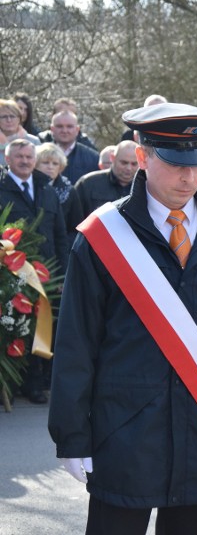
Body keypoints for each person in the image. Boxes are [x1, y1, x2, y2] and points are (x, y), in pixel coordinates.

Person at [47, 103, 197, 535]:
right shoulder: (102, 237)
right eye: (175, 164)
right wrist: (71, 435)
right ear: (142, 156)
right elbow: (76, 342)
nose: (189, 178)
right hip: (122, 434)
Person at [1, 139, 68, 404]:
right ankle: (19, 384)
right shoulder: (2, 189)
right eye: (19, 157)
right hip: (14, 270)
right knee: (19, 327)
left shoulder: (46, 189)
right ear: (8, 160)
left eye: (29, 157)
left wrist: (63, 273)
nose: (25, 161)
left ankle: (39, 383)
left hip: (48, 272)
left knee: (46, 327)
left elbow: (60, 235)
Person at [73, 140, 139, 220]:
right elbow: (73, 223)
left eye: (134, 164)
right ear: (112, 158)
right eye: (124, 163)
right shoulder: (87, 184)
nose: (129, 168)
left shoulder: (147, 187)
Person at [36, 142, 81, 232]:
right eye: (45, 163)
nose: (50, 167)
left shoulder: (69, 191)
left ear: (60, 167)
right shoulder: (28, 187)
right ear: (35, 164)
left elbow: (76, 226)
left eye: (55, 164)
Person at [48, 111, 100, 183]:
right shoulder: (39, 155)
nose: (64, 130)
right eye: (59, 126)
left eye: (69, 126)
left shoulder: (93, 158)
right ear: (52, 129)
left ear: (77, 130)